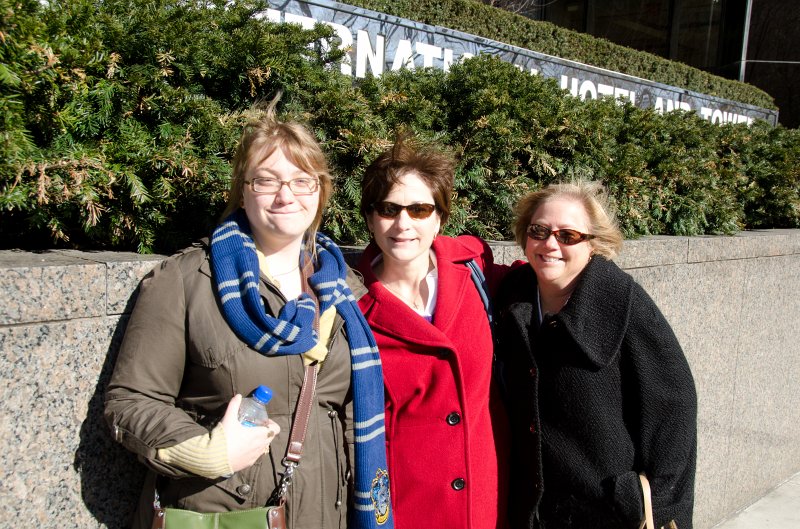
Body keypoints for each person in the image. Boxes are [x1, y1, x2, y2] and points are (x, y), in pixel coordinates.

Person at [104, 97, 392, 529]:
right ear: (242, 189)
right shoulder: (185, 280)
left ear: (320, 191)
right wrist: (203, 449)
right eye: (266, 180)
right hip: (223, 512)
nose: (285, 195)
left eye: (302, 181)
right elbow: (129, 401)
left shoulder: (343, 287)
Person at [494, 180, 697, 529]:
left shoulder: (622, 301)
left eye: (568, 236)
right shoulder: (514, 296)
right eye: (539, 230)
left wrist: (648, 501)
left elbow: (674, 404)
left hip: (606, 514)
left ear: (594, 244)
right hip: (535, 512)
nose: (549, 244)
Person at [355, 137, 510, 529]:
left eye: (419, 209)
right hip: (406, 510)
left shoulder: (474, 271)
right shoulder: (351, 305)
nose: (403, 223)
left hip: (484, 505)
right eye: (389, 209)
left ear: (439, 218)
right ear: (371, 219)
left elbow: (550, 280)